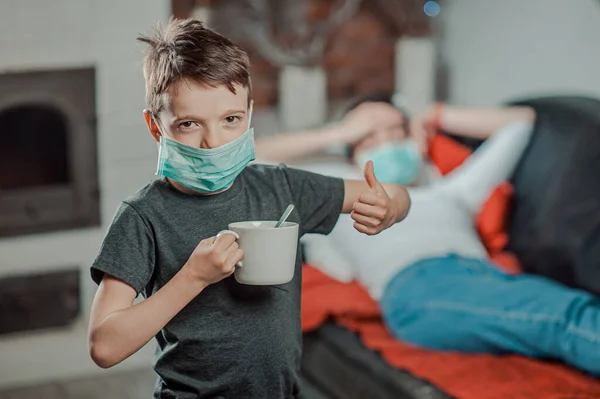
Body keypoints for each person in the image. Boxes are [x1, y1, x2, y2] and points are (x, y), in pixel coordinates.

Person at [86, 18, 410, 399]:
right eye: (189, 124)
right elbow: (104, 347)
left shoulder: (281, 188)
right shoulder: (144, 216)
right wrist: (194, 277)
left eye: (230, 120)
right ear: (156, 127)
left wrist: (390, 207)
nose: (213, 142)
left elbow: (394, 192)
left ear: (250, 114)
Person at [255, 95, 600, 376]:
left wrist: (435, 114)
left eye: (397, 130)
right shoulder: (340, 189)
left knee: (572, 312)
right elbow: (246, 161)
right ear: (351, 150)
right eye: (370, 136)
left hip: (487, 279)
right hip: (419, 286)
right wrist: (337, 132)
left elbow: (521, 122)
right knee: (565, 317)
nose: (387, 141)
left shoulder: (452, 191)